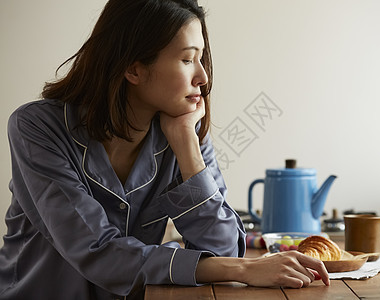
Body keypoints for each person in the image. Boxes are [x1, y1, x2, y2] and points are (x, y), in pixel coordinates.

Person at [0, 0, 329, 299]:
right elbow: (95, 250)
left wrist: (188, 147)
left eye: (201, 59)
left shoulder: (183, 130)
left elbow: (223, 247)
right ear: (133, 68)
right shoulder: (36, 128)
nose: (203, 76)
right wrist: (241, 271)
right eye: (188, 59)